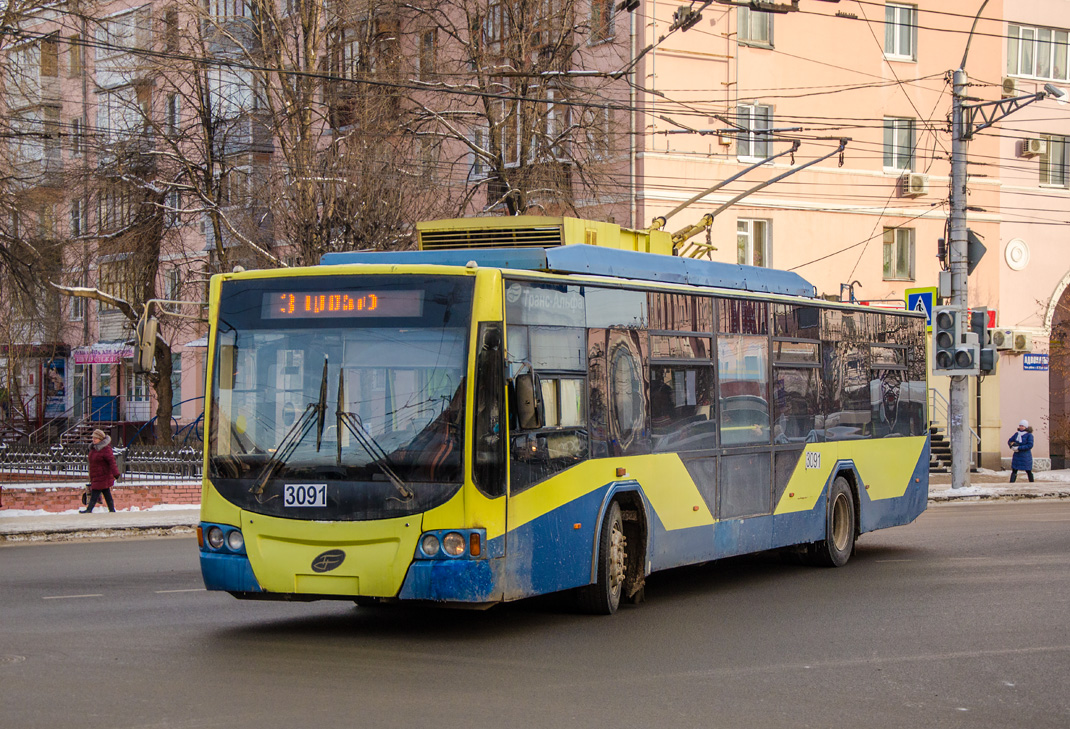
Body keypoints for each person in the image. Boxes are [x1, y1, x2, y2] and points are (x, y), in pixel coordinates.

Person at [81, 429, 120, 513]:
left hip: (103, 475)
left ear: (101, 439)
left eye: (96, 438)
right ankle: (112, 510)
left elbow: (112, 462)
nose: (93, 440)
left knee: (95, 492)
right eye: (93, 438)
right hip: (96, 474)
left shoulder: (105, 449)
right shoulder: (94, 448)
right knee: (106, 493)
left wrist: (116, 473)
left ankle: (89, 509)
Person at [1008, 419, 1035, 484]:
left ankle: (1032, 483)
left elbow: (1030, 445)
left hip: (1025, 456)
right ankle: (1011, 483)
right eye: (1020, 426)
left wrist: (1019, 448)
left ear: (1026, 427)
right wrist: (1012, 446)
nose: (1021, 427)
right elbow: (1010, 441)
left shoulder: (1029, 435)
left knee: (1028, 470)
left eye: (1022, 426)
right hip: (1017, 455)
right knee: (1014, 470)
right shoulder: (1016, 434)